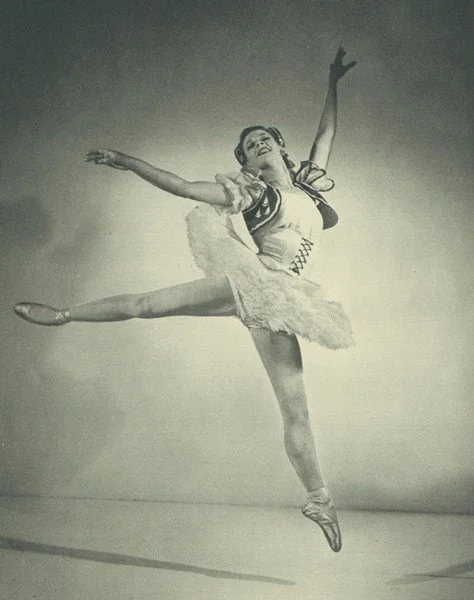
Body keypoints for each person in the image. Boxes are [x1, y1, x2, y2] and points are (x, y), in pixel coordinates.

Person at [14, 48, 356, 552]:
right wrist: (127, 162)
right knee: (148, 305)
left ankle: (319, 499)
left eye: (264, 138)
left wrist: (332, 83)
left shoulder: (308, 186)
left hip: (286, 301)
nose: (259, 145)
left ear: (280, 146)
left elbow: (325, 135)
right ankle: (64, 315)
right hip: (256, 281)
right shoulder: (254, 195)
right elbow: (179, 186)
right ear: (246, 163)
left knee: (296, 412)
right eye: (249, 146)